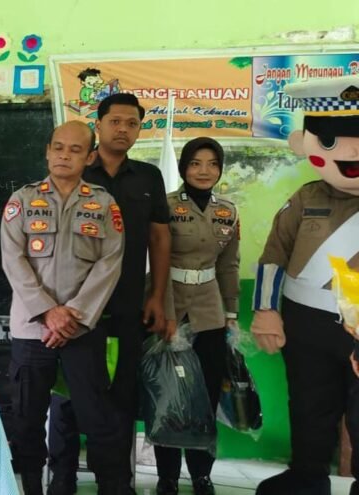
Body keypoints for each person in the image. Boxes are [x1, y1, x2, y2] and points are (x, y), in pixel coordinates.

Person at [48, 92, 173, 495]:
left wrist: (156, 295)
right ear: (98, 125)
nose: (123, 129)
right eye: (115, 121)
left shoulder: (148, 177)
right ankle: (62, 478)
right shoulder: (75, 168)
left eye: (132, 123)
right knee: (67, 393)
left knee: (120, 394)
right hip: (74, 307)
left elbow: (159, 237)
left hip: (125, 305)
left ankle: (115, 482)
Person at [1, 121, 126, 495]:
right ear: (47, 151)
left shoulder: (103, 203)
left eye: (75, 150)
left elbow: (110, 261)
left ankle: (110, 487)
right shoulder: (22, 200)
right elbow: (13, 259)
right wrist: (47, 312)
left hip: (81, 329)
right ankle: (32, 488)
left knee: (97, 418)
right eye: (58, 147)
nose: (64, 155)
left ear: (89, 157)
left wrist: (74, 315)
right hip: (32, 329)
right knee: (26, 420)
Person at [251, 75, 359, 495]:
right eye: (332, 140)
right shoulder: (305, 197)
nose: (352, 151)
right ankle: (307, 475)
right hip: (306, 324)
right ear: (305, 144)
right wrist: (266, 310)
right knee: (309, 402)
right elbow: (273, 254)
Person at [153, 137, 239, 495]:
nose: (204, 171)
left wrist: (231, 313)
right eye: (195, 163)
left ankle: (202, 473)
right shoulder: (165, 205)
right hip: (169, 306)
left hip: (209, 312)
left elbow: (229, 265)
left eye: (213, 164)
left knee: (206, 395)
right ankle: (167, 476)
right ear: (183, 167)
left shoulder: (228, 211)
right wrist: (162, 311)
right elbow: (153, 258)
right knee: (168, 396)